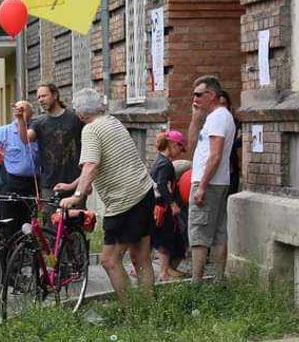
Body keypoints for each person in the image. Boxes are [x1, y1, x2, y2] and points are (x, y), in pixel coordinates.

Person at [58, 88, 156, 303]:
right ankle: (148, 309)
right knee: (141, 257)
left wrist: (76, 196)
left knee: (109, 260)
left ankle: (131, 312)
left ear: (79, 113)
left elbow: (91, 166)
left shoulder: (91, 130)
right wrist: (74, 185)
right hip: (144, 192)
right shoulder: (112, 121)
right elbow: (97, 165)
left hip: (125, 202)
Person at [186, 76, 237, 281]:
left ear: (212, 95)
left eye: (199, 94)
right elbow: (193, 149)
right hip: (217, 182)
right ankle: (217, 282)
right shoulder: (215, 117)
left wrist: (202, 187)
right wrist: (195, 118)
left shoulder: (218, 117)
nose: (195, 98)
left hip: (208, 183)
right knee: (217, 234)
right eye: (193, 95)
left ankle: (196, 284)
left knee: (199, 235)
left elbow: (215, 155)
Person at [27, 83, 84, 198]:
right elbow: (26, 139)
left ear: (55, 95)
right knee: (51, 216)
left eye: (44, 96)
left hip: (74, 181)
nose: (41, 100)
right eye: (38, 97)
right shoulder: (38, 122)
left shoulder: (75, 117)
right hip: (49, 184)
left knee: (76, 215)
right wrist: (20, 119)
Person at [0, 100, 40, 234]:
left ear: (32, 113)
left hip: (32, 184)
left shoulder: (37, 131)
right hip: (10, 183)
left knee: (29, 225)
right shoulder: (3, 132)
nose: (21, 113)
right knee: (9, 224)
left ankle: (25, 253)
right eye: (18, 110)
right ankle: (7, 252)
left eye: (24, 110)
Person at [151, 130, 189, 281]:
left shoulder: (160, 161)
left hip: (158, 205)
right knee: (165, 240)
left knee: (158, 239)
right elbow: (161, 185)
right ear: (173, 144)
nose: (180, 153)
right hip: (163, 207)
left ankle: (143, 269)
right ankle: (164, 272)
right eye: (180, 148)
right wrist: (172, 204)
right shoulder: (165, 164)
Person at [218, 90, 242, 196]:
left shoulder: (234, 122)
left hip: (231, 166)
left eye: (224, 104)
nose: (221, 108)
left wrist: (231, 144)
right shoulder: (210, 122)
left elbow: (242, 138)